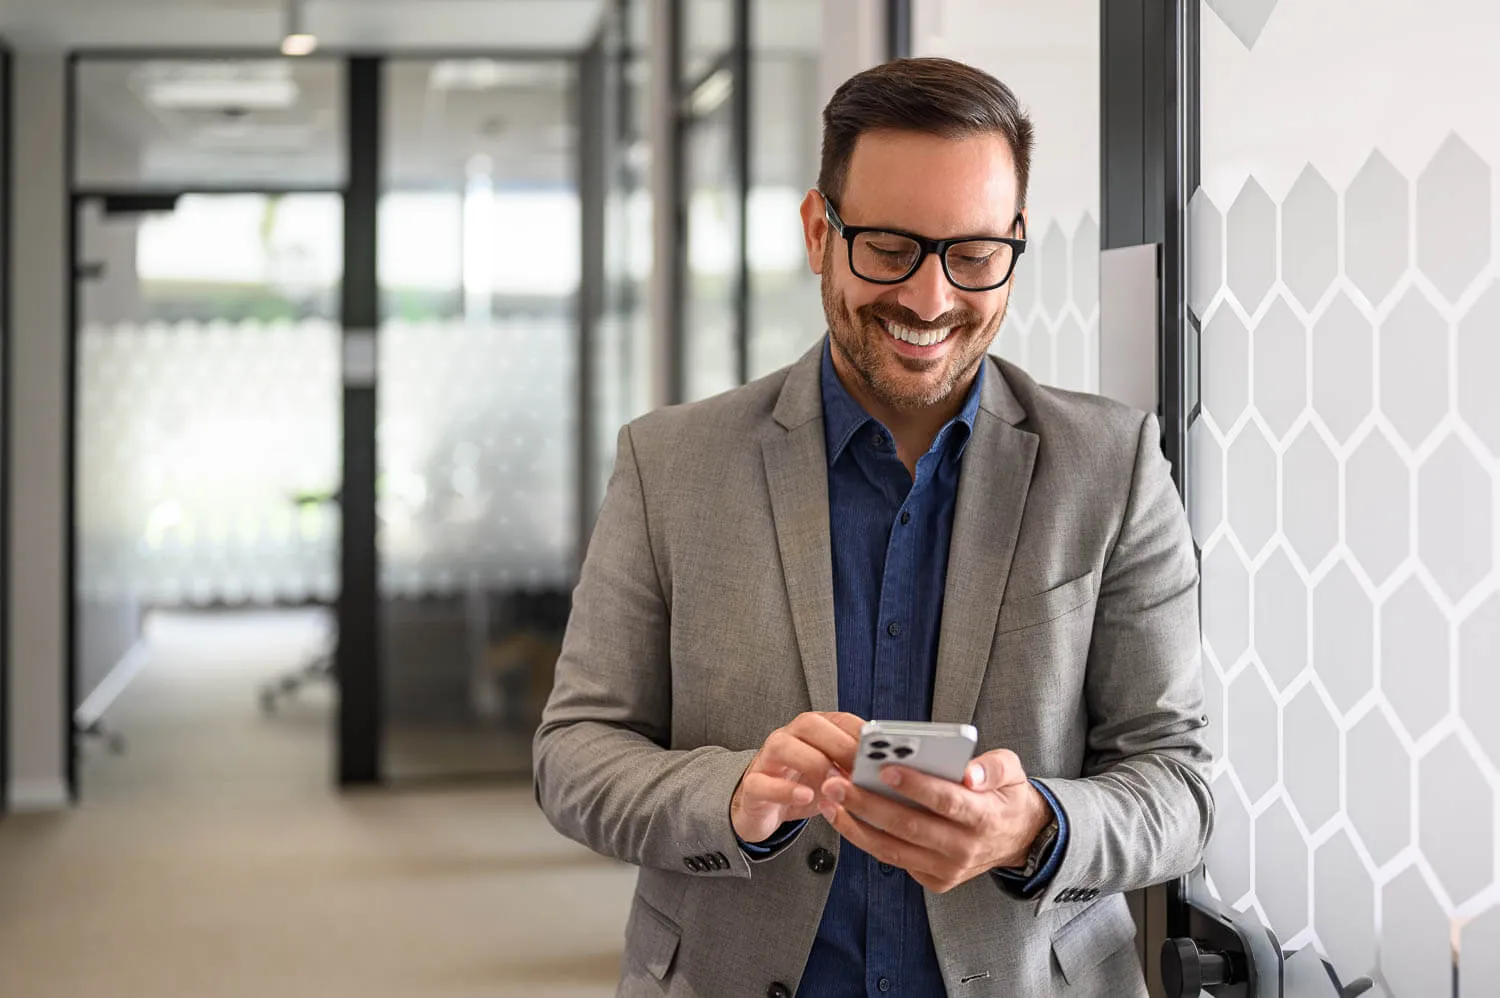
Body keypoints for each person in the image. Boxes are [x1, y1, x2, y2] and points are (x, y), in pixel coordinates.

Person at [534, 56, 1213, 998]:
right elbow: (574, 755)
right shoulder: (671, 465)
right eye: (889, 248)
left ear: (1015, 239)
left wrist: (1033, 826)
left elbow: (1179, 786)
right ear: (821, 231)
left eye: (973, 255)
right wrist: (727, 799)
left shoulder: (1112, 463)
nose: (930, 301)